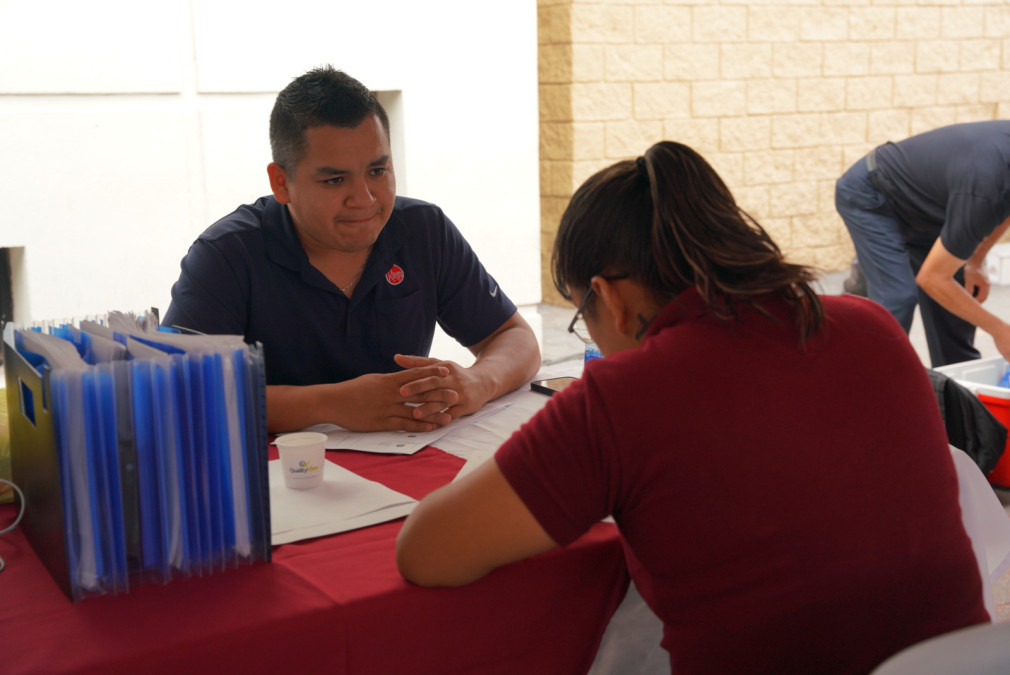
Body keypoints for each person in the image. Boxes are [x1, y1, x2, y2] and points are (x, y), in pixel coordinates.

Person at [396, 141, 989, 674]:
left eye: (583, 317)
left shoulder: (623, 397)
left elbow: (427, 552)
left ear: (609, 296)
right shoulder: (871, 327)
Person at [163, 66, 540, 433]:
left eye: (378, 171)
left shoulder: (422, 230)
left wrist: (479, 382)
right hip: (278, 484)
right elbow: (182, 397)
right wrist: (331, 404)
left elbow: (515, 338)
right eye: (335, 180)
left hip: (401, 471)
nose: (365, 199)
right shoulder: (225, 255)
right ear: (282, 183)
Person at [834, 121, 1010, 368]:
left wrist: (976, 261)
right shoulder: (984, 187)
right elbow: (932, 279)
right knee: (897, 298)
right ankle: (869, 386)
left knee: (955, 302)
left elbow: (1005, 208)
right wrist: (999, 330)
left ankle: (959, 390)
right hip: (873, 195)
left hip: (930, 208)